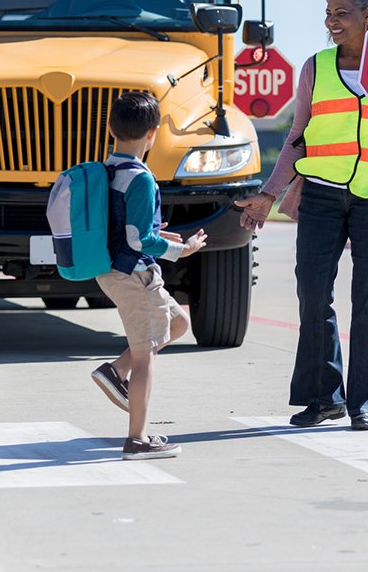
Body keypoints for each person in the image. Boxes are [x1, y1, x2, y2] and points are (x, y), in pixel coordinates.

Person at [235, 0, 368, 432]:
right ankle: (324, 397)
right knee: (313, 294)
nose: (330, 20)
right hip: (321, 192)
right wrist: (268, 194)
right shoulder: (316, 68)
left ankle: (366, 402)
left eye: (341, 12)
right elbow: (296, 137)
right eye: (328, 12)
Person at [88, 91, 206, 460]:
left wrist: (157, 234)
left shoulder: (108, 171)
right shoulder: (141, 177)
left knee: (178, 323)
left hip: (113, 269)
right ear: (153, 133)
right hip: (135, 275)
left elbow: (126, 227)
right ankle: (137, 439)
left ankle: (114, 371)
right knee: (145, 357)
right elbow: (138, 238)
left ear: (110, 128)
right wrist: (179, 249)